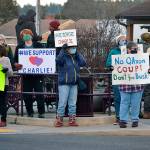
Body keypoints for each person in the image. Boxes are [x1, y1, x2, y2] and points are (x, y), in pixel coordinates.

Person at [14, 29, 45, 118]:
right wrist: (16, 64)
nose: (26, 36)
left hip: (38, 75)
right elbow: (15, 60)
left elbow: (45, 57)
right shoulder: (19, 47)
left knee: (39, 94)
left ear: (31, 35)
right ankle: (29, 112)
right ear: (22, 37)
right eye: (24, 35)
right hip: (26, 75)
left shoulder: (38, 45)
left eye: (27, 34)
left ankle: (41, 112)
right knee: (27, 95)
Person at [55, 44, 86, 127]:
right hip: (64, 83)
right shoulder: (63, 57)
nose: (74, 49)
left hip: (74, 83)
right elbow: (58, 60)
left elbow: (83, 63)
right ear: (67, 48)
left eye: (74, 47)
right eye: (72, 47)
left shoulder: (75, 57)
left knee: (72, 103)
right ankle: (59, 119)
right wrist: (62, 50)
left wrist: (77, 53)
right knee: (62, 102)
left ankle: (72, 119)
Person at [119, 41, 144, 128]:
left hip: (137, 85)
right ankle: (123, 120)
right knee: (124, 103)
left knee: (136, 103)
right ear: (128, 49)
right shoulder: (121, 58)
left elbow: (145, 67)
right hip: (125, 84)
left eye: (136, 49)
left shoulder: (141, 58)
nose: (135, 50)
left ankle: (135, 120)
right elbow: (116, 67)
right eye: (134, 49)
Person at [106, 35, 127, 125]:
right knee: (118, 98)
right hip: (117, 78)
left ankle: (125, 117)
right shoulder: (113, 52)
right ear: (118, 42)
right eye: (122, 40)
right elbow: (108, 63)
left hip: (128, 78)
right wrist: (110, 67)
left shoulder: (128, 51)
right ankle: (118, 117)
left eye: (125, 40)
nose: (124, 41)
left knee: (126, 99)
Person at [0, 45, 13, 127]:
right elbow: (11, 73)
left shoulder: (5, 59)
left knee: (2, 102)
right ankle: (3, 120)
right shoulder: (6, 59)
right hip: (3, 83)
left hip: (3, 83)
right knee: (2, 102)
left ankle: (3, 120)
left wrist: (6, 70)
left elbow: (10, 73)